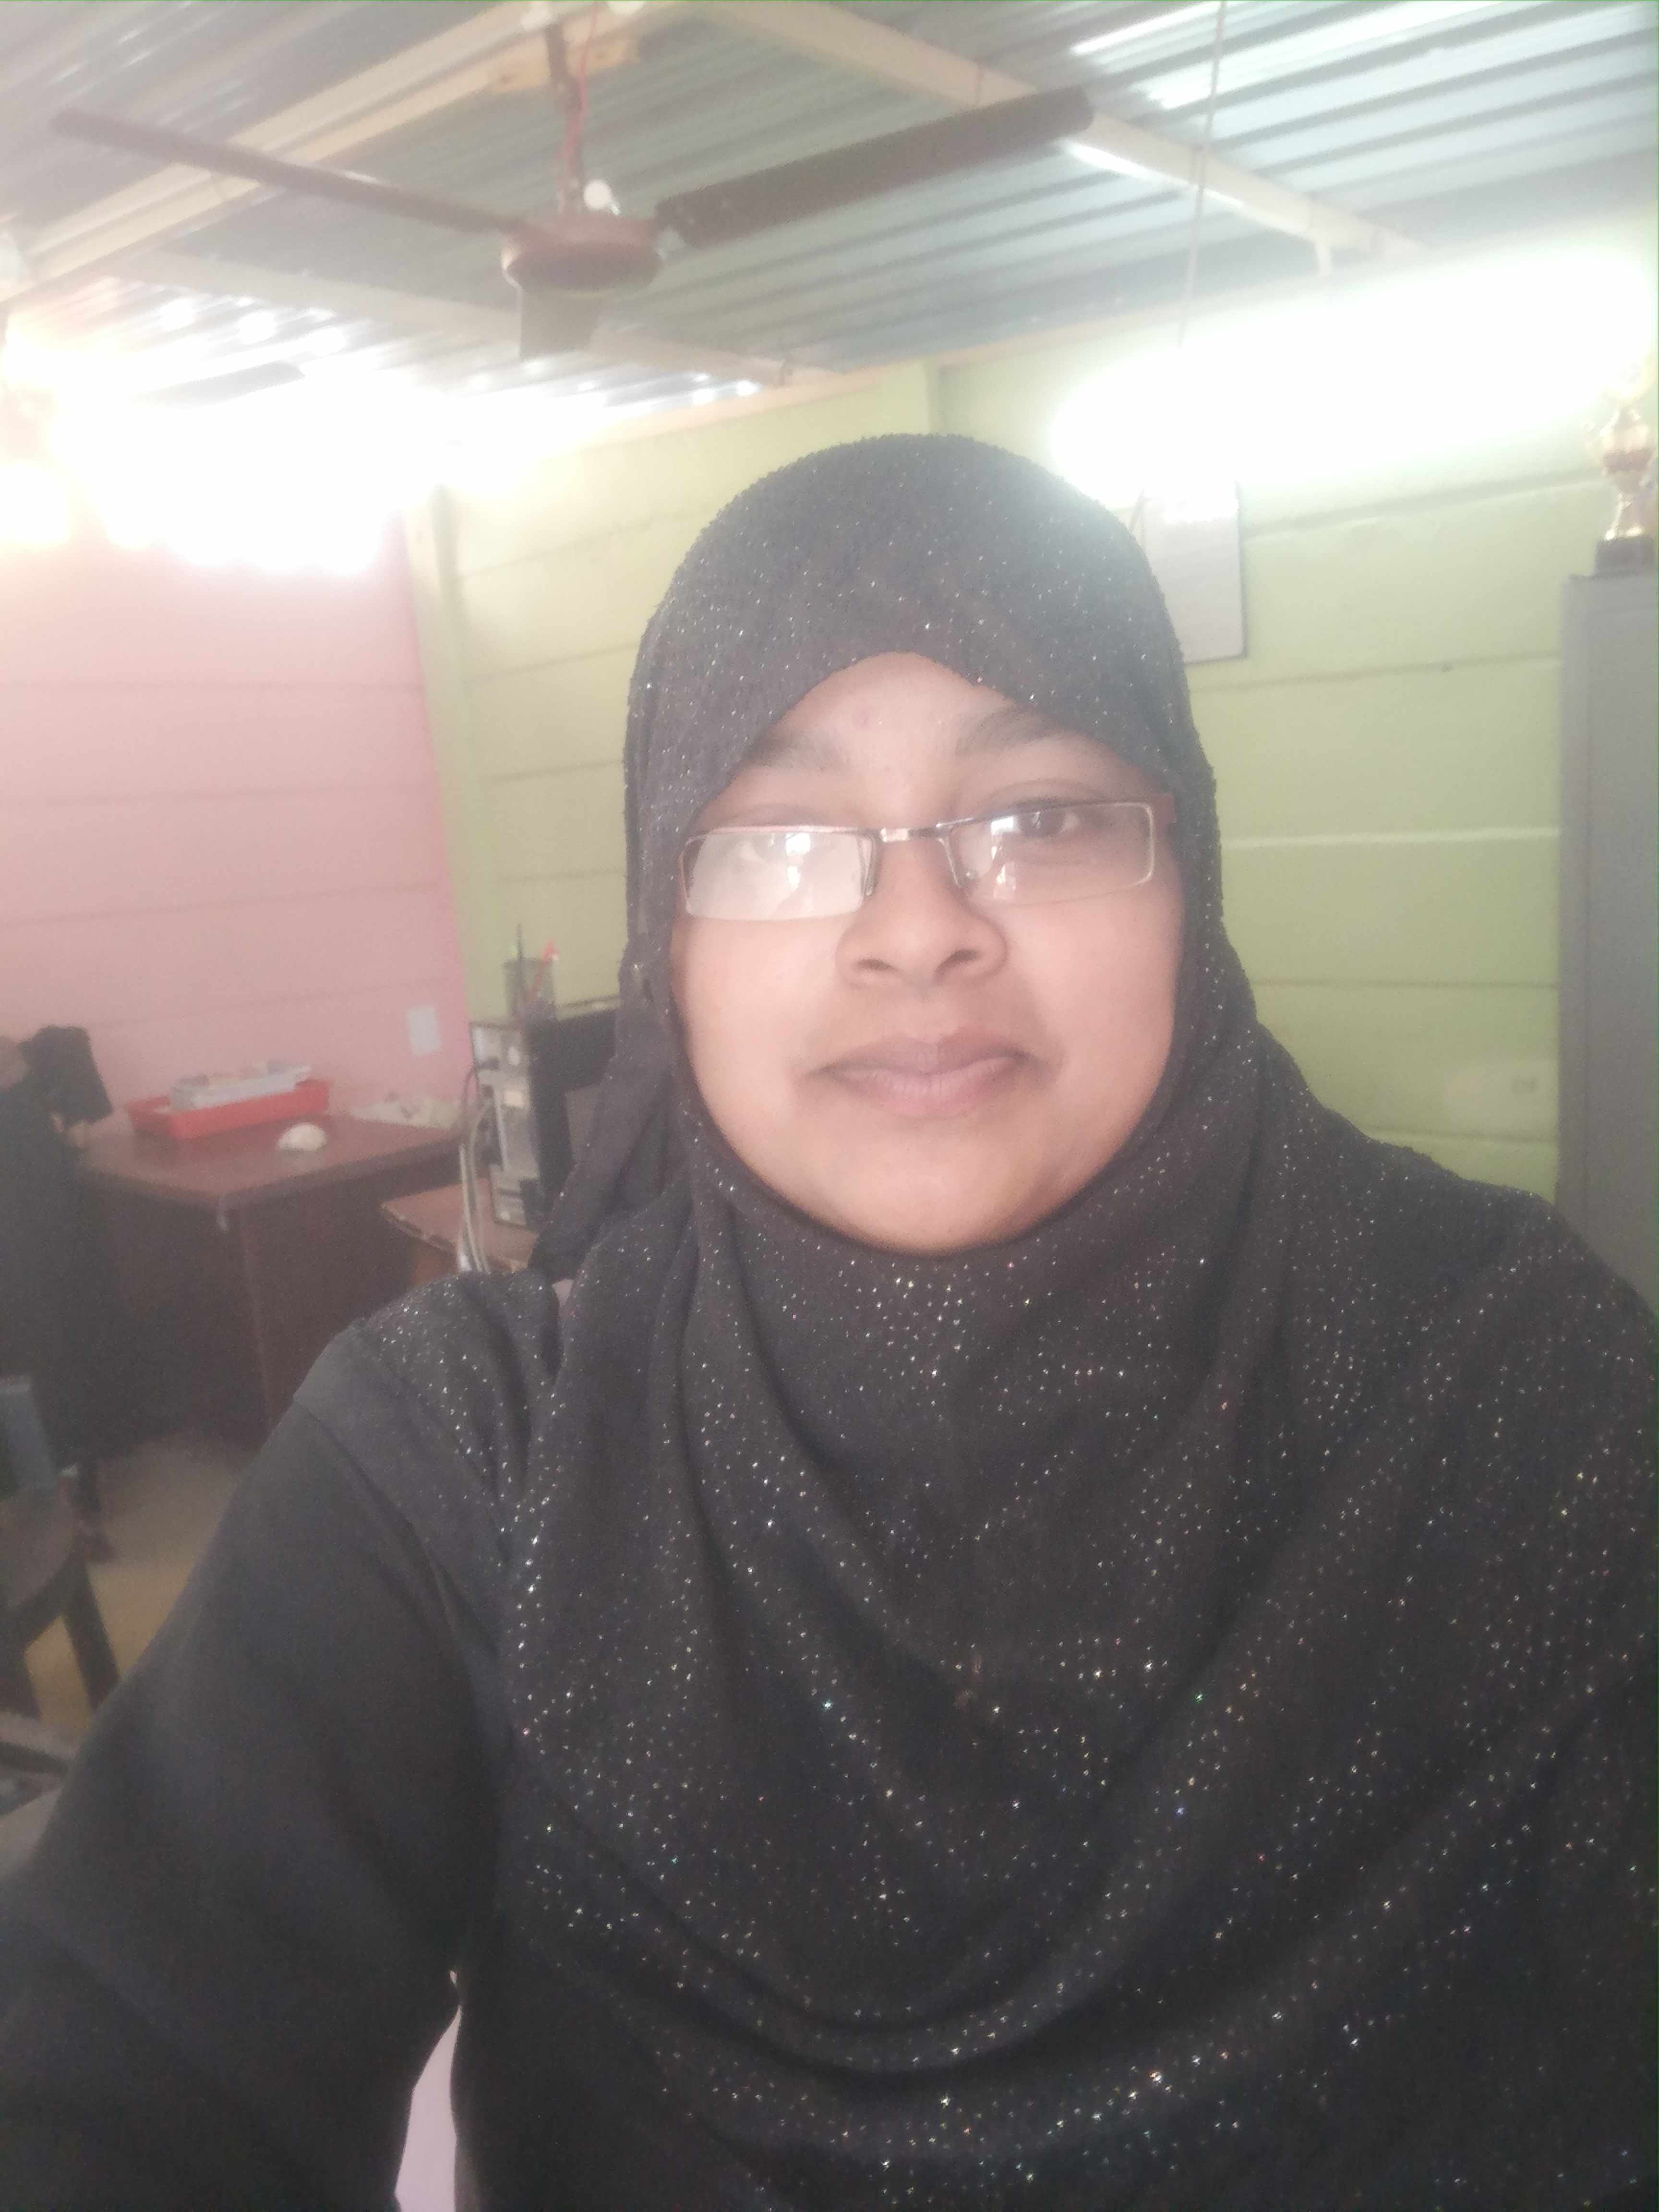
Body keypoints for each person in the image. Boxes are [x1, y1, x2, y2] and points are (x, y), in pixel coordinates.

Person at [0, 435, 1651, 2211]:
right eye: (778, 841)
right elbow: (120, 2075)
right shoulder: (470, 1457)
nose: (915, 932)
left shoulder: (1513, 1383)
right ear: (668, 936)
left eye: (1044, 816)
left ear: (1190, 873)